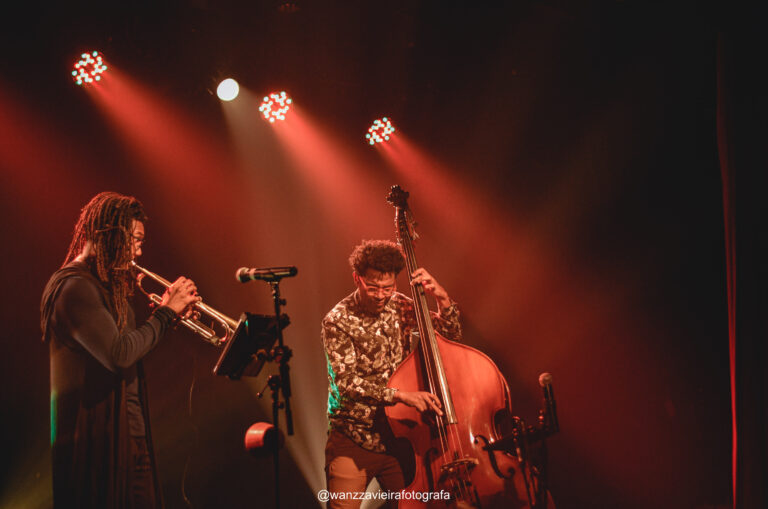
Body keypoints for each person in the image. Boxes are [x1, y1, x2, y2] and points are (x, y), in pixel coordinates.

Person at [40, 192, 199, 509]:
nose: (140, 249)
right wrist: (165, 314)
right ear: (112, 234)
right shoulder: (74, 286)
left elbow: (128, 346)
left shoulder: (106, 286)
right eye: (136, 239)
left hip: (128, 440)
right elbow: (119, 354)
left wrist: (168, 316)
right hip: (99, 451)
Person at [322, 239, 462, 508]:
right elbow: (347, 384)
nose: (380, 295)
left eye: (388, 287)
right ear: (357, 278)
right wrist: (402, 396)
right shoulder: (337, 320)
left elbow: (450, 335)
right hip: (354, 438)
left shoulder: (400, 305)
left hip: (400, 438)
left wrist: (442, 298)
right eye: (372, 287)